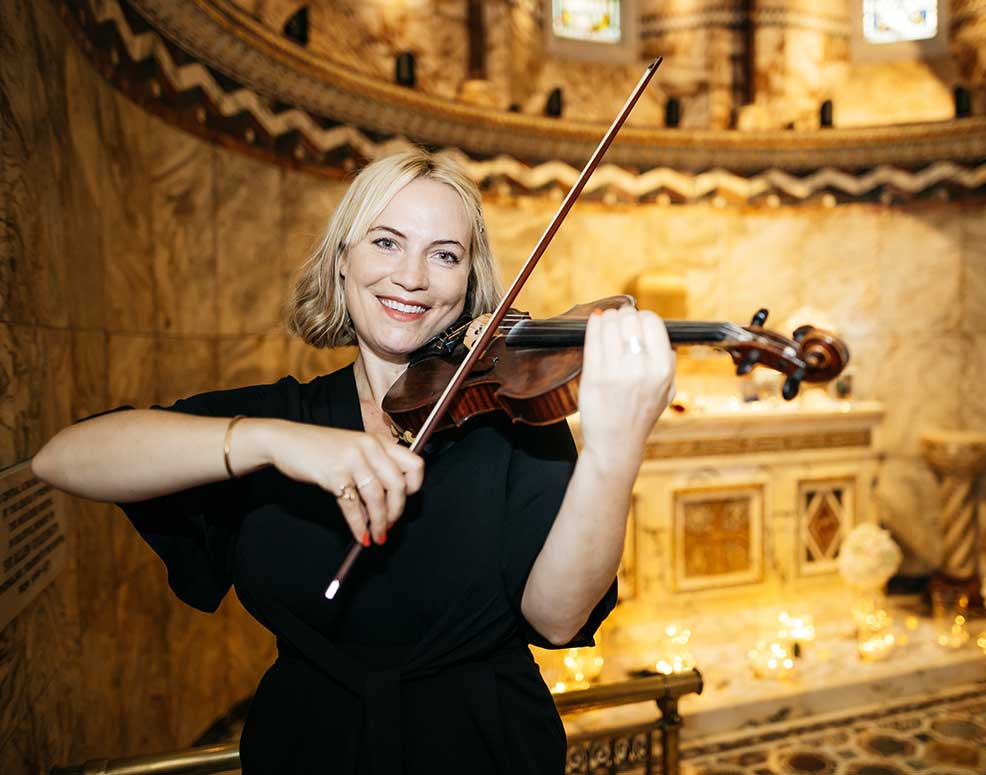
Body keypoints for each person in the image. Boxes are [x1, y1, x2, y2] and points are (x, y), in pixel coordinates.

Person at [31, 146, 675, 774]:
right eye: (386, 242)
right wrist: (271, 441)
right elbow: (64, 458)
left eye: (444, 255)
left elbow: (557, 619)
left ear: (471, 284)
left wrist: (614, 454)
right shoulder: (281, 416)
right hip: (306, 748)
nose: (413, 277)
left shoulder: (510, 417)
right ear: (343, 260)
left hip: (486, 745)